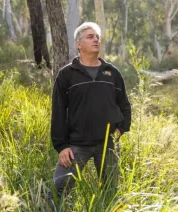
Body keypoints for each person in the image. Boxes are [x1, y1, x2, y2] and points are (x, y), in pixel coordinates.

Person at [49, 22, 131, 201]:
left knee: (109, 193)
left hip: (107, 145)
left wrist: (121, 129)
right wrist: (61, 146)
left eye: (97, 37)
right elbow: (59, 112)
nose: (96, 40)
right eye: (90, 37)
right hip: (76, 145)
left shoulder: (112, 73)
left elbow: (124, 104)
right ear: (79, 44)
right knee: (57, 193)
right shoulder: (67, 75)